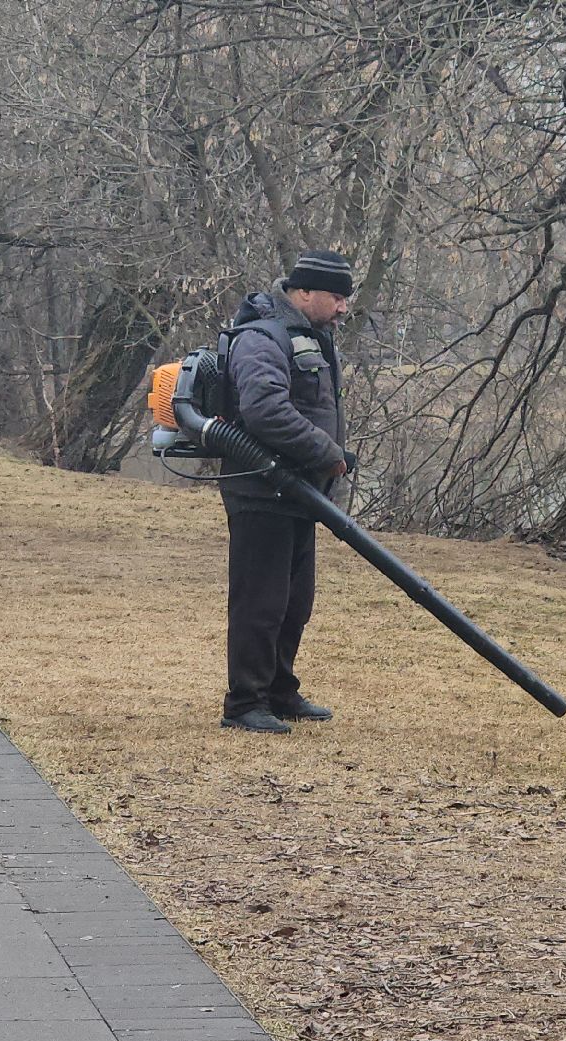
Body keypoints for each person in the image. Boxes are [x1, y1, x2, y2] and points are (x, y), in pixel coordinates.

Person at [216, 250, 354, 734]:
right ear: (305, 293)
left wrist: (327, 461)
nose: (343, 308)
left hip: (297, 492)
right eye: (336, 297)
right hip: (260, 490)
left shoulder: (311, 337)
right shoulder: (262, 337)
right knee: (261, 601)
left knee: (295, 601)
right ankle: (244, 703)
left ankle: (279, 691)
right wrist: (324, 450)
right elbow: (264, 410)